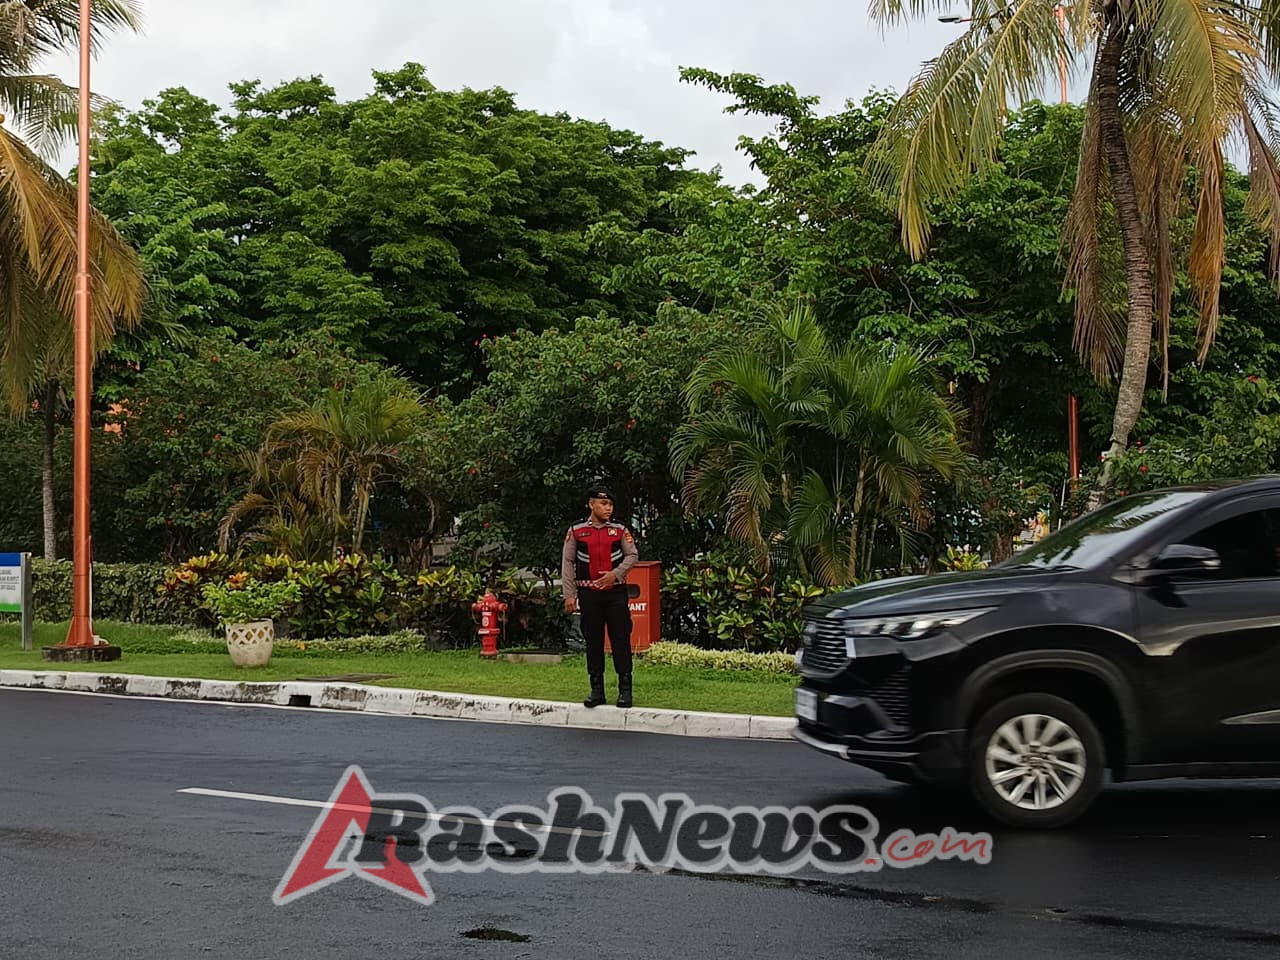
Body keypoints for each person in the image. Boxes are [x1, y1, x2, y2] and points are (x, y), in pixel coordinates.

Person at [561, 484, 638, 708]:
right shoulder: (576, 531)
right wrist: (569, 594)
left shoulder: (620, 529)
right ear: (591, 504)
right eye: (603, 504)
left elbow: (632, 555)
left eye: (611, 504)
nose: (608, 508)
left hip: (615, 593)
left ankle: (625, 690)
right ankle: (597, 690)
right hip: (589, 594)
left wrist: (615, 574)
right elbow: (567, 562)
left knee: (620, 640)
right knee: (593, 641)